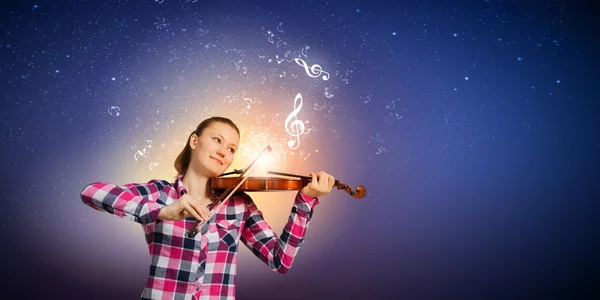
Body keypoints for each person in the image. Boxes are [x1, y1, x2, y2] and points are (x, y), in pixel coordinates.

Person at [80, 116, 335, 300]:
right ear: (194, 140)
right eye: (217, 140)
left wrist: (305, 202)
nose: (224, 152)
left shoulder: (239, 203)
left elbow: (280, 261)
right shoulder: (159, 193)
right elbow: (91, 193)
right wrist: (163, 211)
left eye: (232, 149)